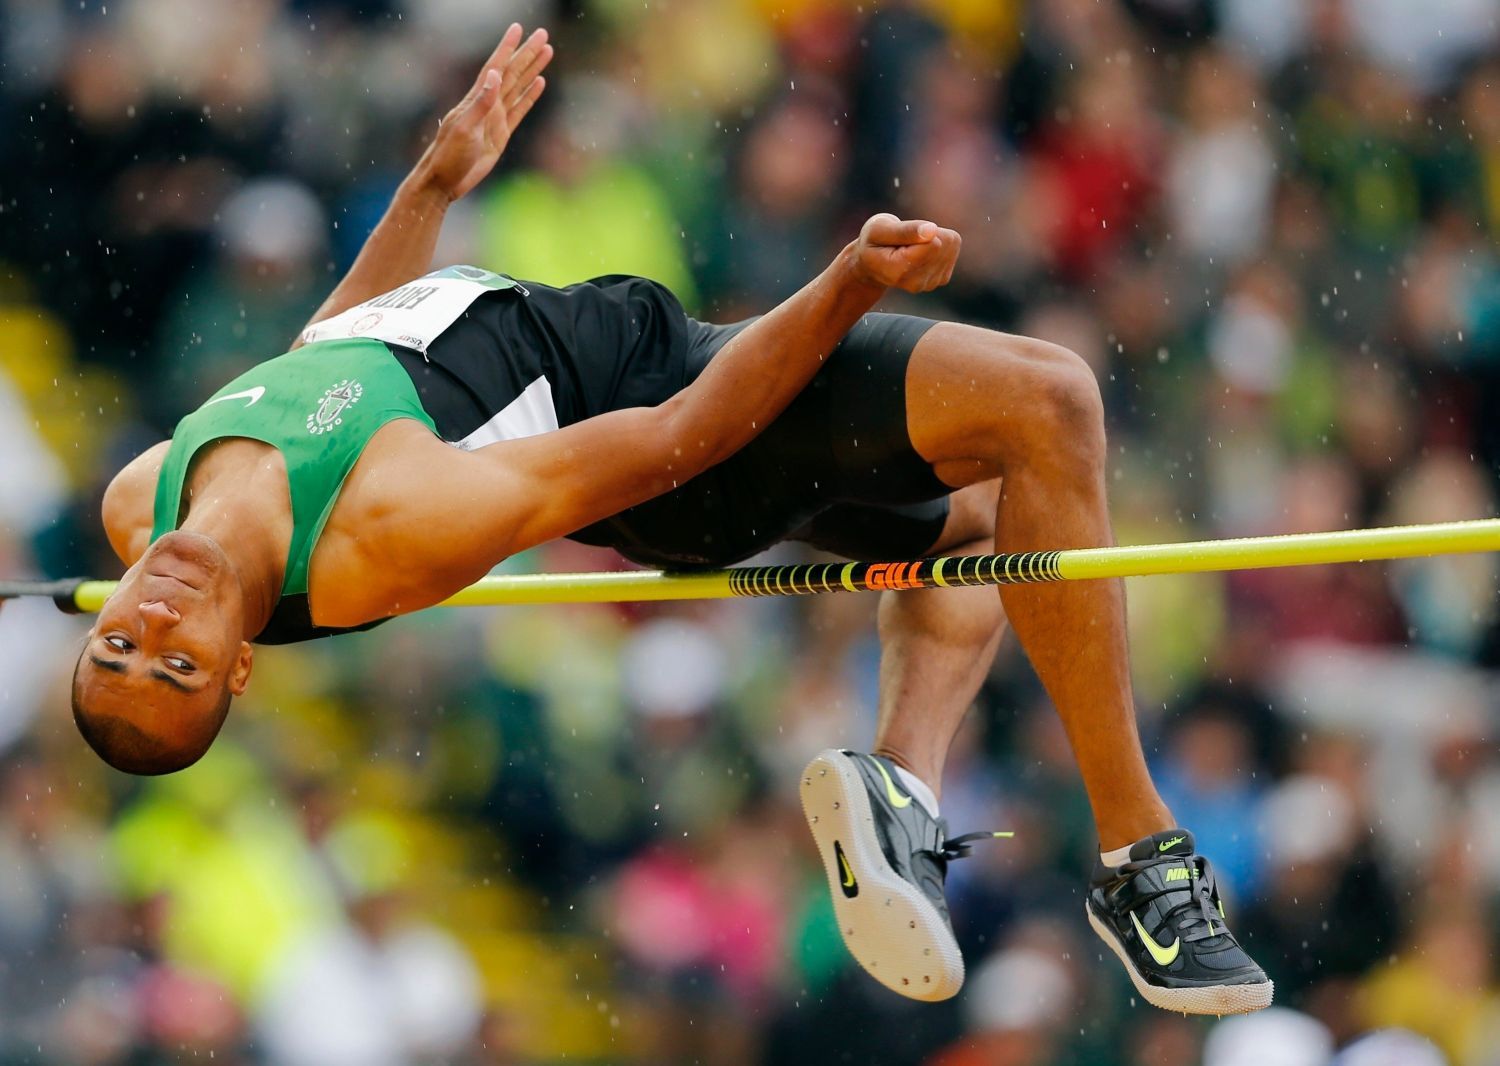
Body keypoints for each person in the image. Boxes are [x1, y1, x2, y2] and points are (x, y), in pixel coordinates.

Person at [71, 25, 1271, 1015]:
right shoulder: (385, 529)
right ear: (237, 670)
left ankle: (903, 780)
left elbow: (320, 360)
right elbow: (674, 440)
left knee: (993, 520)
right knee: (1048, 399)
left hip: (654, 354)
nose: (151, 624)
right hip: (686, 427)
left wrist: (433, 185)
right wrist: (847, 278)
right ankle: (1141, 861)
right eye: (174, 663)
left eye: (118, 643)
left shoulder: (145, 495)